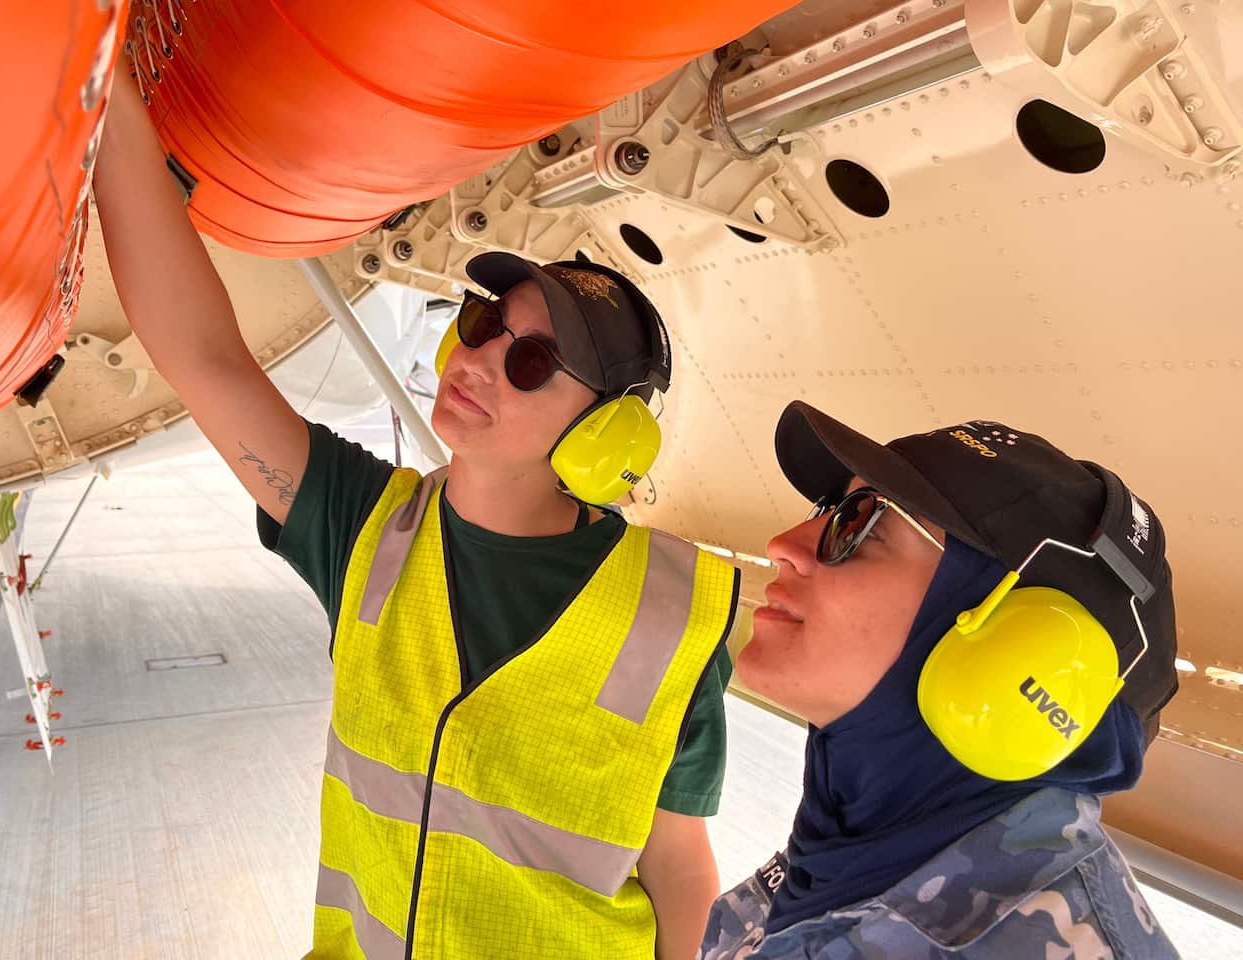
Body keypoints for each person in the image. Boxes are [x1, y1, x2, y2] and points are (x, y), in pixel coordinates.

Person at [93, 73, 739, 959]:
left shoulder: (675, 612)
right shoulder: (367, 528)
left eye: (534, 361)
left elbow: (677, 863)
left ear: (607, 435)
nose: (476, 362)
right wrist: (109, 104)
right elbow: (206, 362)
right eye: (481, 324)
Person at [701, 402, 1181, 959]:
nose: (783, 544)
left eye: (862, 522)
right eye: (828, 509)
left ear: (1019, 657)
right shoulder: (846, 852)